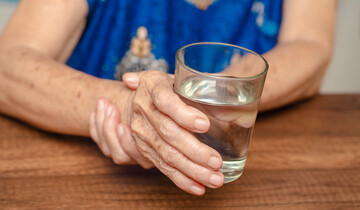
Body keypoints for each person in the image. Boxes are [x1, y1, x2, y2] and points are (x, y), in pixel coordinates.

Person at [0, 0, 336, 195]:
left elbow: (311, 45)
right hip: (88, 187)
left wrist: (202, 94)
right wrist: (121, 105)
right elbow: (8, 63)